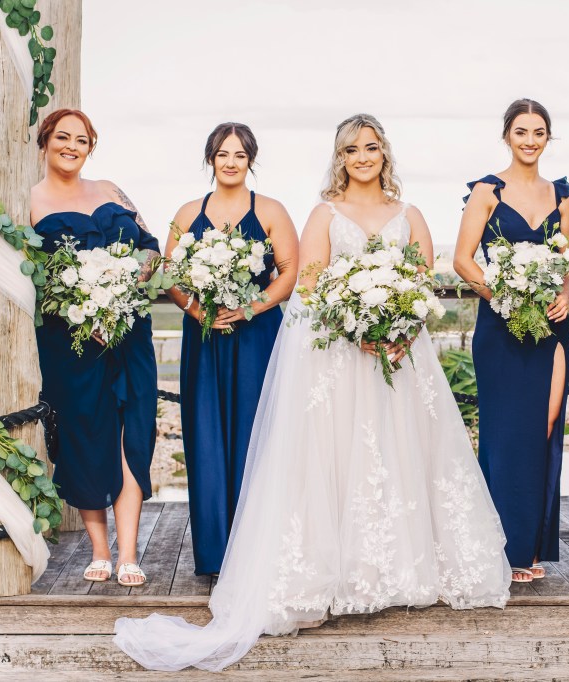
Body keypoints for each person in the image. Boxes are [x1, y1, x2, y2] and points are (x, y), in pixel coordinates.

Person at [113, 113, 510, 672]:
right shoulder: (324, 213)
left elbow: (421, 280)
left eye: (371, 147)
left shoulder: (411, 214)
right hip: (344, 355)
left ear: (384, 153)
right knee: (340, 456)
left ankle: (400, 567)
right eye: (352, 150)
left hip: (401, 354)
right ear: (340, 158)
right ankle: (337, 571)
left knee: (404, 452)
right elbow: (311, 284)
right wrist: (357, 325)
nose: (362, 157)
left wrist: (400, 328)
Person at [31, 108, 158, 588]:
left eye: (81, 140)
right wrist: (83, 310)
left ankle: (129, 553)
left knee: (133, 437)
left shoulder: (111, 191)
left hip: (129, 334)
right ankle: (99, 549)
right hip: (72, 344)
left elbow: (150, 246)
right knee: (85, 437)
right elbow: (33, 275)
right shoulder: (29, 201)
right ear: (45, 141)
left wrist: (129, 282)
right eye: (62, 137)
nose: (72, 146)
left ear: (90, 147)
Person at [166, 122, 298, 575]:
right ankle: (216, 554)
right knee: (205, 436)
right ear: (210, 159)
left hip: (257, 337)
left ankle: (258, 551)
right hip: (204, 338)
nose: (230, 162)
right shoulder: (188, 213)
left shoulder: (271, 211)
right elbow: (171, 274)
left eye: (240, 155)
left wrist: (249, 309)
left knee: (256, 434)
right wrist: (195, 310)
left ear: (250, 161)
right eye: (223, 153)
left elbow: (289, 272)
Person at [454, 98, 569, 583]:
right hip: (500, 327)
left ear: (548, 137)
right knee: (506, 434)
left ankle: (532, 541)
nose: (530, 141)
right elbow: (463, 260)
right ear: (507, 135)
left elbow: (568, 262)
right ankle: (504, 548)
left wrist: (565, 295)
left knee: (544, 426)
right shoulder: (487, 191)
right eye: (521, 132)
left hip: (551, 326)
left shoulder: (561, 194)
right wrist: (502, 296)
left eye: (538, 132)